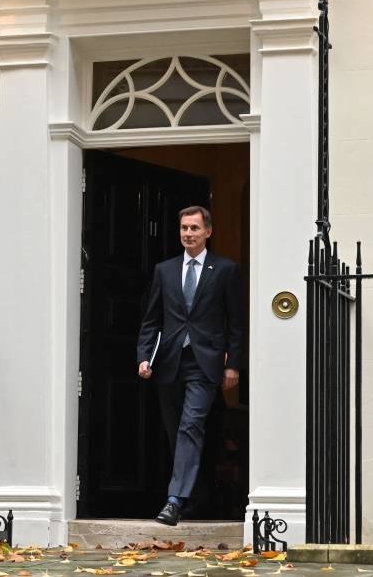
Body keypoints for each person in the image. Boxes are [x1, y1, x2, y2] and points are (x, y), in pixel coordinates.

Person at [136, 205, 243, 526]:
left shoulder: (224, 270)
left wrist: (233, 364)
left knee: (190, 426)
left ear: (208, 231)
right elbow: (151, 319)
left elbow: (236, 322)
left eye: (194, 228)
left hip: (205, 364)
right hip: (169, 363)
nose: (188, 234)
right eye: (184, 228)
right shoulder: (164, 270)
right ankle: (196, 498)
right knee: (176, 432)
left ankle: (174, 501)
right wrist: (144, 355)